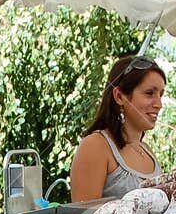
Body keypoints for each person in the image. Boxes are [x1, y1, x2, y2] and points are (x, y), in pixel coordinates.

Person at [70, 55, 167, 202]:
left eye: (161, 95)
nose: (159, 104)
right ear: (119, 96)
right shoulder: (95, 145)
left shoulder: (146, 150)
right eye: (149, 93)